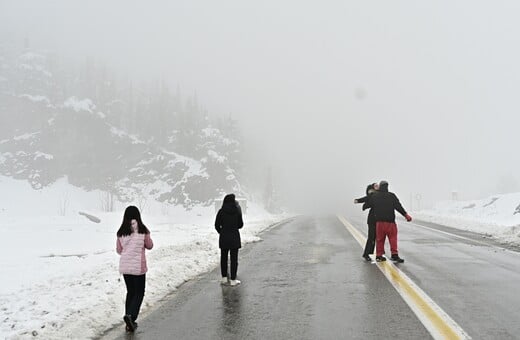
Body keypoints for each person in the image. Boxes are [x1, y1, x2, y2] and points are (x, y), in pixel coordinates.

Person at [116, 206, 154, 332]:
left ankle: (128, 320)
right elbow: (149, 246)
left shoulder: (121, 232)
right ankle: (131, 317)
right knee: (139, 293)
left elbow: (119, 250)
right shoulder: (143, 230)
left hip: (125, 267)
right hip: (138, 267)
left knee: (130, 292)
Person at [366, 181, 412, 263]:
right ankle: (394, 255)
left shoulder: (375, 196)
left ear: (380, 187)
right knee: (393, 239)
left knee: (380, 239)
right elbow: (398, 206)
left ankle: (379, 256)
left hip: (379, 223)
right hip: (390, 223)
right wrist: (406, 215)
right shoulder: (392, 196)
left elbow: (368, 204)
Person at [215, 194, 244, 286]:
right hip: (234, 237)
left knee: (223, 258)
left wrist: (222, 232)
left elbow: (216, 225)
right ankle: (233, 280)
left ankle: (224, 278)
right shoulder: (237, 211)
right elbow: (240, 225)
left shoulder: (221, 211)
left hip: (224, 237)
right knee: (234, 259)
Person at [354, 182, 379, 261]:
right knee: (371, 237)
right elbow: (365, 198)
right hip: (372, 219)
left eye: (378, 185)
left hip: (378, 219)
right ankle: (366, 254)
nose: (377, 186)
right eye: (375, 185)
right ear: (372, 188)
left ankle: (377, 254)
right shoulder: (372, 195)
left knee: (377, 238)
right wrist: (358, 200)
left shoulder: (379, 194)